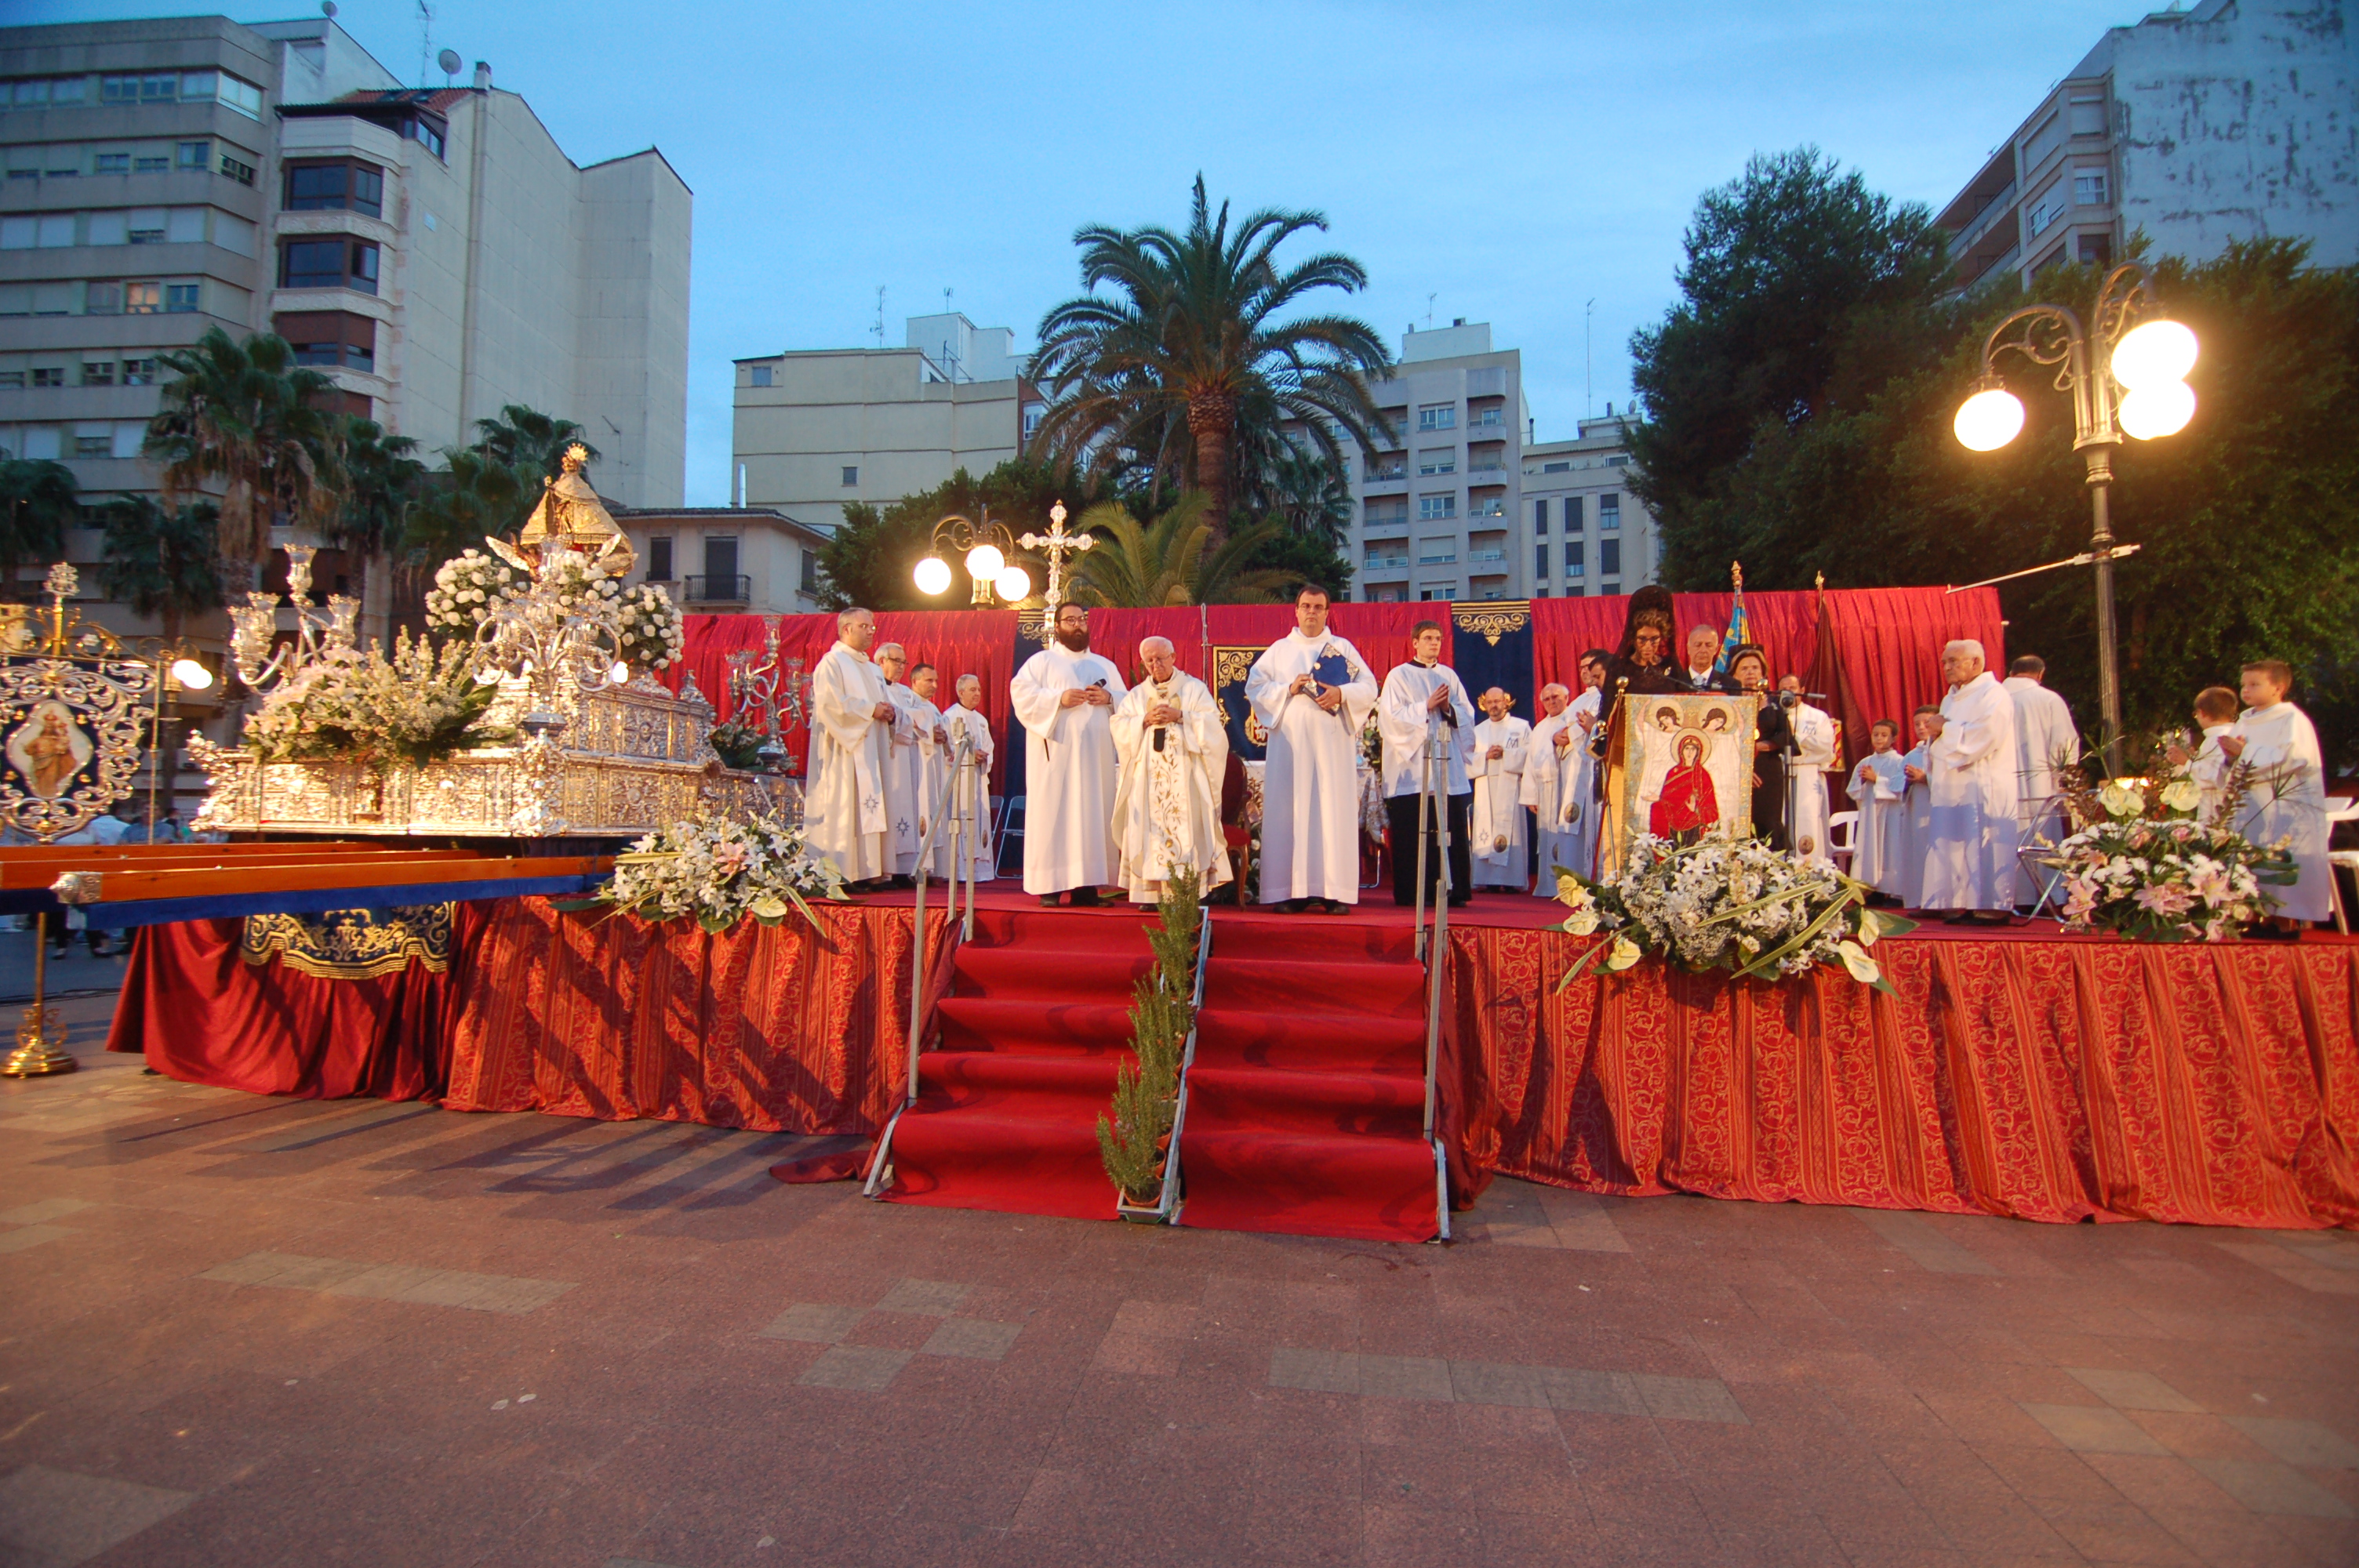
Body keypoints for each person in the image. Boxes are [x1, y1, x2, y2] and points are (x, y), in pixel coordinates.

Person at [1248, 584, 1378, 913]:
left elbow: (1369, 686)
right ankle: (1291, 891)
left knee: (1331, 810)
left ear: (1327, 611)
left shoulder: (1342, 647)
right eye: (1306, 606)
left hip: (1332, 746)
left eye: (1318, 607)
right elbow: (1256, 686)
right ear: (1296, 610)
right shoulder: (1279, 650)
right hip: (1291, 747)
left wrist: (1342, 694)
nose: (1311, 612)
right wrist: (1286, 688)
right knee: (1291, 810)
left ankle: (1334, 892)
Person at [1009, 602, 1127, 907]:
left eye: (1081, 620)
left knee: (1091, 814)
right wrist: (1058, 699)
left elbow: (1130, 703)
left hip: (1094, 759)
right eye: (1070, 620)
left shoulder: (1105, 666)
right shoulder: (1041, 662)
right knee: (1054, 813)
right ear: (1058, 626)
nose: (1077, 626)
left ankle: (1086, 887)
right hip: (1056, 757)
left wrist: (1109, 697)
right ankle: (1049, 886)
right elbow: (1021, 694)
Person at [1110, 636, 1231, 905]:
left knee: (1185, 830)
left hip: (1185, 779)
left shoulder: (1193, 690)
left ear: (1174, 657)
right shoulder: (1137, 696)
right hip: (1148, 782)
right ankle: (1150, 893)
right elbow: (1118, 725)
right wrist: (1142, 720)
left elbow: (1214, 729)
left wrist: (1181, 717)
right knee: (1148, 832)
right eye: (1149, 660)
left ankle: (1185, 893)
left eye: (1161, 658)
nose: (1156, 665)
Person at [2219, 659, 2329, 931]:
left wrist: (2244, 753)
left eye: (2255, 684)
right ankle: (2254, 917)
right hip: (2250, 802)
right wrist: (2231, 759)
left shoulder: (2292, 720)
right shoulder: (2245, 720)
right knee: (2249, 858)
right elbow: (2234, 761)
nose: (2246, 691)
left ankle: (2285, 922)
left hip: (2284, 805)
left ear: (2278, 688)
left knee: (2281, 859)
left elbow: (2296, 759)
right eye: (2244, 685)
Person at [1376, 619, 1475, 909]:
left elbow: (1466, 714)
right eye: (1428, 638)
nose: (1435, 643)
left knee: (1449, 829)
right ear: (1415, 642)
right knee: (1414, 829)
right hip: (1414, 768)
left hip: (1446, 763)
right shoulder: (1399, 675)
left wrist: (1448, 709)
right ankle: (1414, 891)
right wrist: (1426, 706)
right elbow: (1390, 718)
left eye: (1439, 638)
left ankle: (1453, 890)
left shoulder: (1449, 676)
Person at [1921, 639, 2020, 924]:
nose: (1947, 667)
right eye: (1944, 662)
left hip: (1984, 782)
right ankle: (1959, 901)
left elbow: (1986, 736)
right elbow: (1941, 737)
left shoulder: (1994, 694)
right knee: (1955, 842)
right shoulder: (1951, 697)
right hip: (1952, 783)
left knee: (1984, 839)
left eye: (1954, 661)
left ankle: (1992, 905)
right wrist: (1939, 734)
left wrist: (1946, 730)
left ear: (1976, 662)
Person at [805, 607, 895, 887]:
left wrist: (890, 713)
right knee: (846, 805)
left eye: (872, 627)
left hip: (872, 749)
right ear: (846, 629)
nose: (871, 631)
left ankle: (870, 871)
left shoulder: (872, 669)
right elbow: (831, 705)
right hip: (845, 752)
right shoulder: (831, 663)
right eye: (864, 626)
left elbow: (883, 703)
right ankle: (843, 871)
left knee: (870, 805)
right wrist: (871, 710)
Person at [2004, 654, 2081, 898]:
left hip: (1997, 781)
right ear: (2040, 674)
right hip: (2038, 781)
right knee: (2040, 836)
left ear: (2012, 673)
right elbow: (2063, 744)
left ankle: (2005, 898)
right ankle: (2044, 896)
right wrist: (2066, 776)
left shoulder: (1993, 698)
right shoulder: (2048, 698)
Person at [1728, 645, 1791, 852]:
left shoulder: (1774, 702)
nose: (1750, 673)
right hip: (1735, 770)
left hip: (1768, 772)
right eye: (1744, 668)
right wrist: (1745, 758)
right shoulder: (1728, 703)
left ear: (1763, 673)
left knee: (1767, 820)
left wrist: (1758, 746)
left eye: (1755, 668)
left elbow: (1786, 736)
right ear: (1734, 674)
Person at [873, 643, 925, 888]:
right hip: (886, 756)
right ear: (881, 661)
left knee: (907, 807)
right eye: (896, 661)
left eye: (904, 662)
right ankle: (886, 869)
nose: (901, 667)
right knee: (889, 807)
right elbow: (892, 715)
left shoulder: (906, 693)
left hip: (907, 757)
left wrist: (904, 717)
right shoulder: (873, 685)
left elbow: (920, 719)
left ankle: (905, 868)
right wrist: (904, 718)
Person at [1468, 688, 1530, 891]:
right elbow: (1465, 759)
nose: (1494, 705)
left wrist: (1507, 753)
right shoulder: (1478, 731)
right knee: (1486, 828)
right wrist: (1485, 756)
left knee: (1512, 828)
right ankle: (1488, 880)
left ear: (1506, 702)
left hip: (1510, 785)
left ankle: (1511, 881)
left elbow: (1531, 755)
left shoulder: (1521, 727)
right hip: (1486, 785)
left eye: (1498, 701)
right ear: (1483, 704)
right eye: (1490, 702)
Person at [1522, 681, 1579, 893]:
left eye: (1556, 697)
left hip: (1568, 788)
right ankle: (1548, 886)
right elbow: (1531, 761)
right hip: (1545, 790)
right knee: (1547, 838)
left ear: (1566, 697)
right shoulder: (1539, 728)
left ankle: (1568, 886)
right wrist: (1531, 795)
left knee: (1565, 836)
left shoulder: (1573, 720)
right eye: (1547, 699)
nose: (1552, 702)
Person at [941, 673, 998, 881]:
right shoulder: (950, 716)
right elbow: (946, 750)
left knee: (979, 821)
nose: (977, 694)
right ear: (961, 692)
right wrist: (970, 755)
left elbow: (989, 747)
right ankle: (960, 870)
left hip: (978, 779)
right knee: (962, 820)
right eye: (972, 690)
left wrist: (984, 756)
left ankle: (980, 870)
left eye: (979, 690)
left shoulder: (981, 720)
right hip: (960, 780)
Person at [1846, 720, 1909, 904]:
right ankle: (1874, 888)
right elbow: (1852, 790)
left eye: (1884, 735)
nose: (1879, 739)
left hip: (1891, 814)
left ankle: (1895, 892)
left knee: (1890, 850)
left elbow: (1901, 788)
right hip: (1870, 812)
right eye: (1876, 735)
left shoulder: (1899, 761)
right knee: (1871, 850)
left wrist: (1877, 780)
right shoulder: (1865, 762)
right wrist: (1864, 783)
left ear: (1893, 738)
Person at [1778, 674, 1837, 866]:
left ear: (1802, 690)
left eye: (1793, 687)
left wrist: (1798, 740)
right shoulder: (1775, 715)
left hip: (1808, 774)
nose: (1789, 692)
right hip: (1781, 775)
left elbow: (1826, 747)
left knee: (1808, 821)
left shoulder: (1817, 717)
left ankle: (1809, 869)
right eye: (1784, 689)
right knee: (1781, 821)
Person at [906, 663, 958, 880]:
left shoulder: (934, 709)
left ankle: (935, 867)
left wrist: (944, 738)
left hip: (935, 771)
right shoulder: (907, 703)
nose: (935, 685)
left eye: (936, 681)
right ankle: (920, 866)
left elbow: (946, 738)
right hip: (917, 770)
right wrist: (928, 735)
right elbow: (905, 730)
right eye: (929, 681)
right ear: (915, 681)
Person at [2165, 685, 2242, 821]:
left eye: (2196, 715)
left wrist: (2187, 763)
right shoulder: (2223, 735)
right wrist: (2193, 759)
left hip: (2219, 806)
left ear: (2202, 713)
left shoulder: (2222, 738)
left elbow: (2216, 776)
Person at [1899, 706, 1942, 909]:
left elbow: (1954, 780)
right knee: (1918, 855)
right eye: (1917, 724)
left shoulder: (1945, 751)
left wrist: (1926, 779)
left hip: (1939, 812)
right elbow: (1896, 784)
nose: (1921, 727)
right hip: (1917, 810)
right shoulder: (1911, 755)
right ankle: (1918, 901)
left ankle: (1939, 902)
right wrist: (1908, 780)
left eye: (1927, 722)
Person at [1648, 731, 1719, 844]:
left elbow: (1710, 805)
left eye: (1693, 749)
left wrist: (1696, 808)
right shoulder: (1673, 772)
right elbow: (1667, 798)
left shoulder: (1702, 774)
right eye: (1687, 748)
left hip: (1693, 819)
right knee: (1657, 807)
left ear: (1698, 752)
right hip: (1673, 817)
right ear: (1681, 750)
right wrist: (1658, 799)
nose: (1690, 752)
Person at [1681, 625, 1735, 693]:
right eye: (1698, 645)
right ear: (1688, 649)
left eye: (1708, 645)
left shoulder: (1731, 685)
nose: (1703, 650)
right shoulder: (1673, 683)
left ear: (1716, 649)